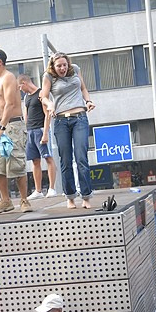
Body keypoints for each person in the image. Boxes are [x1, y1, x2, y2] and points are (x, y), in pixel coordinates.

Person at [39, 52, 95, 209]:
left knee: (81, 157)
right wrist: (49, 104)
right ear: (53, 67)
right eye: (59, 66)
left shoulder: (75, 69)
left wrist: (88, 101)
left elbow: (83, 88)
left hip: (80, 118)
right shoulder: (48, 77)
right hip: (61, 121)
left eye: (64, 65)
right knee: (65, 159)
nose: (62, 68)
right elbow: (43, 96)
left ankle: (86, 196)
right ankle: (70, 197)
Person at [0, 48, 32, 216]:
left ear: (0, 62)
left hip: (12, 126)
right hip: (1, 127)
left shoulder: (8, 77)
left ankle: (24, 199)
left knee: (17, 164)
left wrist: (2, 127)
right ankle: (5, 200)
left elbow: (11, 104)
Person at [17, 74, 57, 200]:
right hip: (30, 131)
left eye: (20, 86)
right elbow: (26, 115)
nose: (20, 89)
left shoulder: (41, 94)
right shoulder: (27, 97)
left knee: (48, 157)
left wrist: (45, 133)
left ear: (24, 83)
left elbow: (47, 115)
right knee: (35, 160)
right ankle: (38, 190)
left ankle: (51, 188)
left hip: (40, 129)